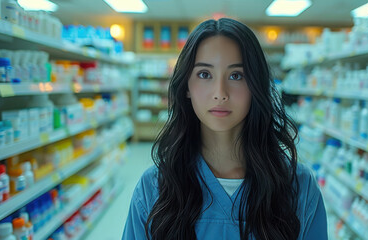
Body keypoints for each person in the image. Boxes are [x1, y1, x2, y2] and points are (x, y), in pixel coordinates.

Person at [122, 18, 327, 240]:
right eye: (204, 74)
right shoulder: (154, 188)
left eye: (236, 75)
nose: (220, 93)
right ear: (187, 87)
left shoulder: (299, 188)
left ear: (255, 85)